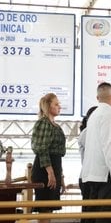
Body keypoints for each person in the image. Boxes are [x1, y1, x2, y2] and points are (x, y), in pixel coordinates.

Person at [81, 82, 111, 223]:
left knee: (92, 216)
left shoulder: (93, 115)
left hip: (91, 173)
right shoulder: (109, 113)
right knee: (106, 217)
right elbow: (110, 142)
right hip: (105, 174)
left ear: (97, 97)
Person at [31, 93, 66, 223]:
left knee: (49, 207)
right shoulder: (43, 123)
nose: (59, 107)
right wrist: (50, 172)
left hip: (54, 166)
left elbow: (58, 154)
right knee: (44, 207)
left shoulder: (55, 125)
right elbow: (42, 149)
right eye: (56, 104)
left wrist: (60, 176)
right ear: (48, 106)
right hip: (44, 169)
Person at [78, 106, 98, 223]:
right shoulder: (87, 132)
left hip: (92, 176)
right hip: (87, 177)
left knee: (92, 211)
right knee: (89, 212)